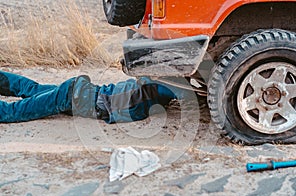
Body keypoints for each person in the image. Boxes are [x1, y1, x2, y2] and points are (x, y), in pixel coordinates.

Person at [0, 70, 181, 123]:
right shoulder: (159, 88)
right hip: (78, 97)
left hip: (81, 94)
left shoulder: (156, 86)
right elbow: (181, 91)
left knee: (32, 89)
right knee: (14, 112)